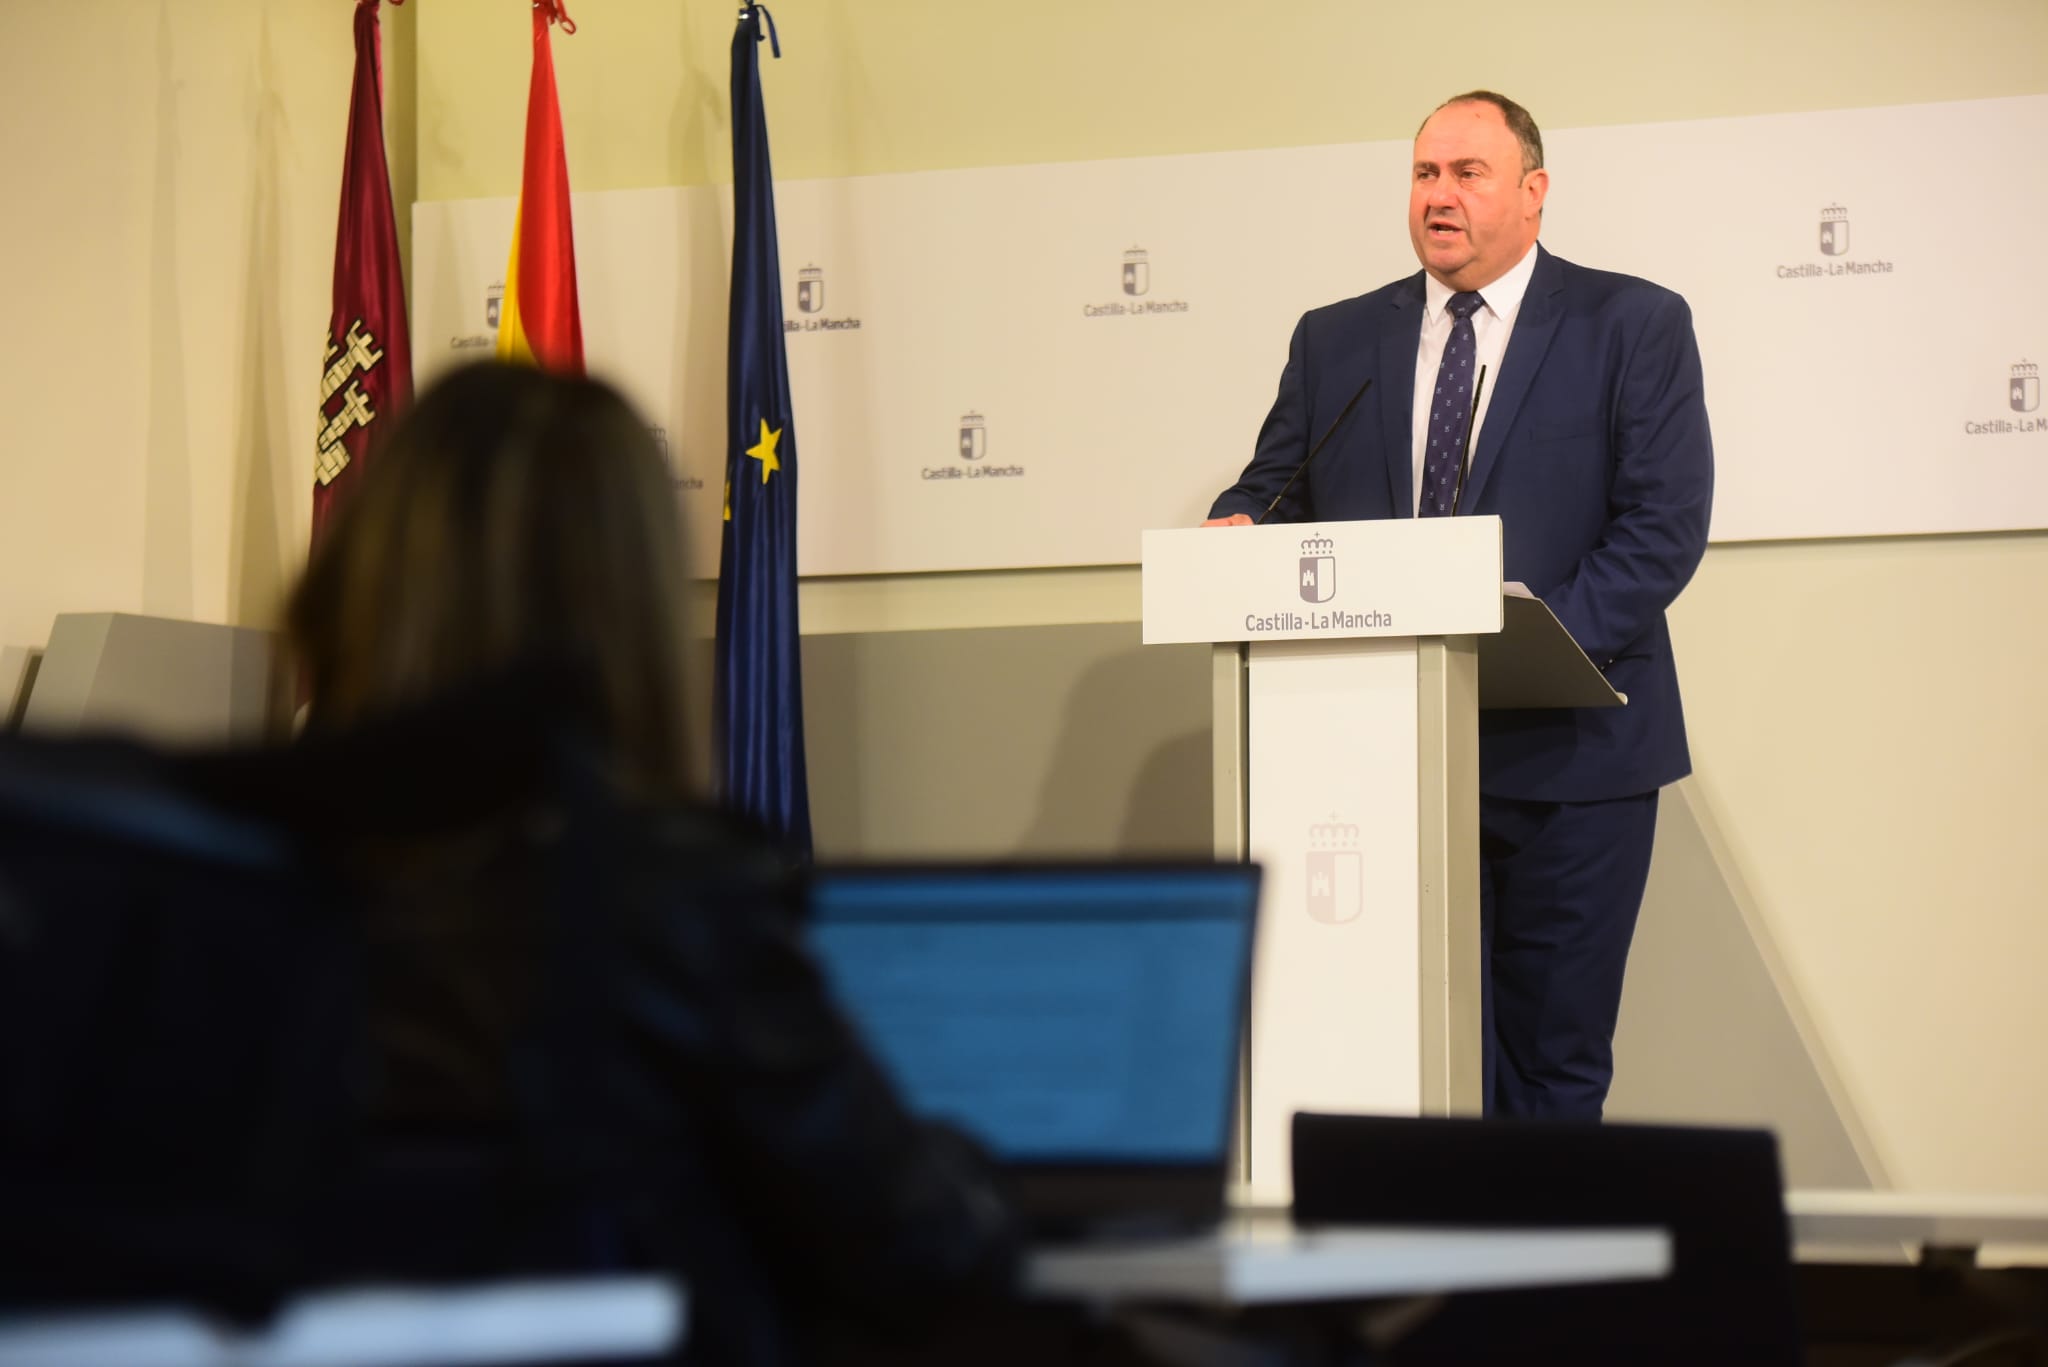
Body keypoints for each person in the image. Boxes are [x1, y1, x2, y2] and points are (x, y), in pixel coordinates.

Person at [284, 361, 1023, 1364]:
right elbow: (912, 1239)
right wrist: (981, 1169)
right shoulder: (671, 896)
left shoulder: (223, 884)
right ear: (622, 602)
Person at [1206, 93, 1713, 1119]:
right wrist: (1234, 525)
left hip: (1571, 756)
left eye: (1466, 173)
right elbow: (1270, 487)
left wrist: (1522, 641)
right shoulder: (1335, 339)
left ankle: (1539, 1277)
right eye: (1423, 173)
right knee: (1411, 1063)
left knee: (1548, 1065)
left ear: (1532, 193)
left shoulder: (1631, 323)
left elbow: (1659, 527)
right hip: (1387, 762)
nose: (1437, 196)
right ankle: (1439, 1275)